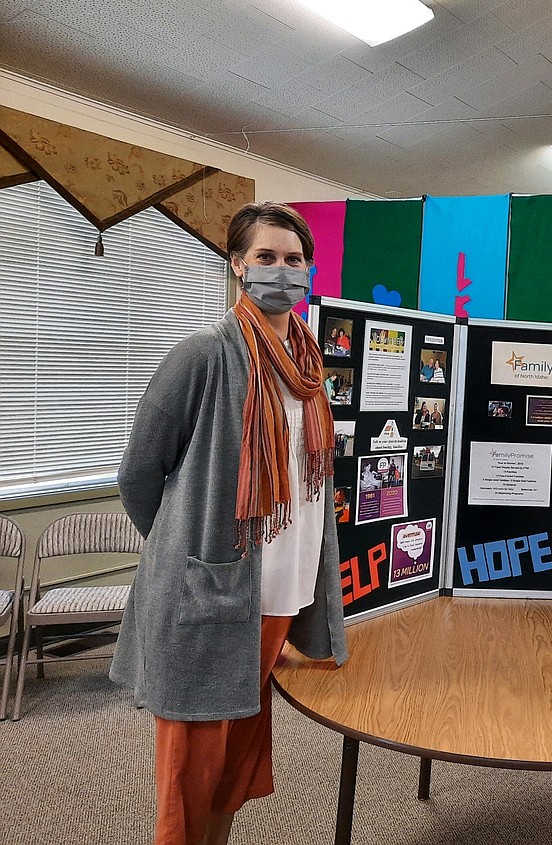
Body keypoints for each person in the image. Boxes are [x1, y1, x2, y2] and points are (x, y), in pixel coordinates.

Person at [112, 201, 349, 845]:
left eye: (294, 259)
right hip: (212, 589)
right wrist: (180, 549)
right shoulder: (203, 356)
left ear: (309, 271)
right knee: (192, 758)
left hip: (280, 589)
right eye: (266, 258)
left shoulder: (307, 367)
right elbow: (139, 473)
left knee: (237, 750)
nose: (282, 270)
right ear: (238, 266)